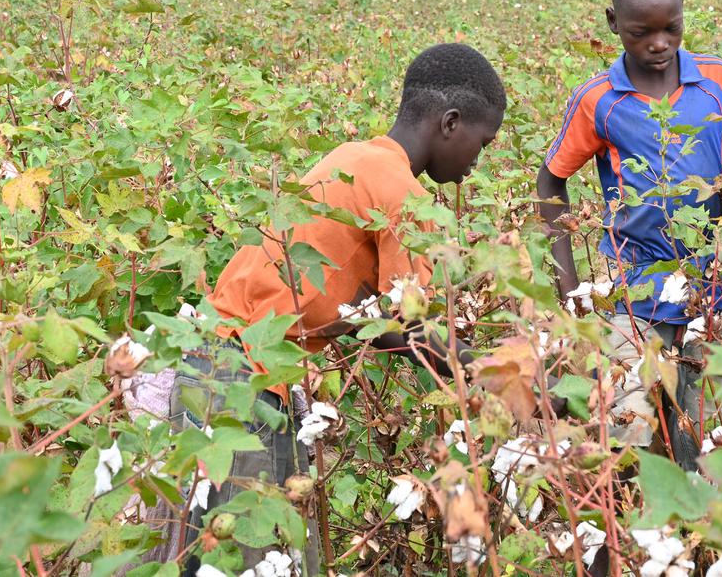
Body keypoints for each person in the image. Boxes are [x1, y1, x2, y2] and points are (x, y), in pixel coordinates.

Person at [175, 43, 508, 575]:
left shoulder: (353, 158)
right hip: (245, 378)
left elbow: (362, 315)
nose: (477, 160)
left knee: (217, 551)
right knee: (250, 556)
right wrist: (497, 372)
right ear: (450, 123)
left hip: (213, 360)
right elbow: (403, 328)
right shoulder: (402, 195)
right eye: (482, 142)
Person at [536, 0, 722, 475]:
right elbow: (551, 179)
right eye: (640, 33)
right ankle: (632, 538)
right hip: (636, 290)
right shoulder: (599, 101)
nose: (659, 44)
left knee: (712, 439)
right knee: (626, 432)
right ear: (612, 24)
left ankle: (703, 549)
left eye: (672, 28)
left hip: (714, 289)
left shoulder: (715, 79)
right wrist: (572, 293)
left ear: (683, 14)